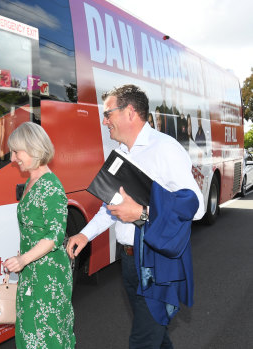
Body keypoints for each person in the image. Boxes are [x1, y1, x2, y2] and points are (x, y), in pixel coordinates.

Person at [66, 85, 204, 349]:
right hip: (129, 262)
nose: (104, 121)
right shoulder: (118, 154)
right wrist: (85, 234)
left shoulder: (165, 148)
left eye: (108, 113)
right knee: (156, 336)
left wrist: (143, 212)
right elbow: (111, 207)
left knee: (143, 340)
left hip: (155, 264)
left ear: (130, 112)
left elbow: (195, 207)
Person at [3, 122, 75, 349]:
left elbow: (54, 235)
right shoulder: (31, 182)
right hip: (32, 272)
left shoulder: (51, 187)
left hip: (48, 277)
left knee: (46, 335)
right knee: (29, 333)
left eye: (17, 152)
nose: (13, 158)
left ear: (33, 148)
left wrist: (23, 259)